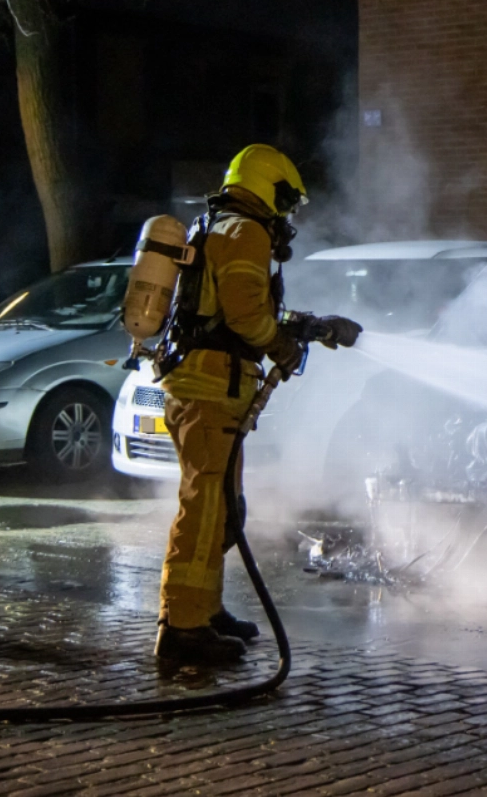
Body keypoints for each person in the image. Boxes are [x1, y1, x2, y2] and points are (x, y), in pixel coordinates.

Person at [153, 144, 361, 665]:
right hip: (210, 390)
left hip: (204, 386)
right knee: (205, 510)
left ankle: (205, 611)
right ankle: (182, 629)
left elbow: (234, 308)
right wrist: (282, 346)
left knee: (221, 509)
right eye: (286, 201)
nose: (287, 214)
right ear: (268, 188)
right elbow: (246, 316)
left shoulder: (217, 225)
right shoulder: (246, 231)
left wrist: (309, 326)